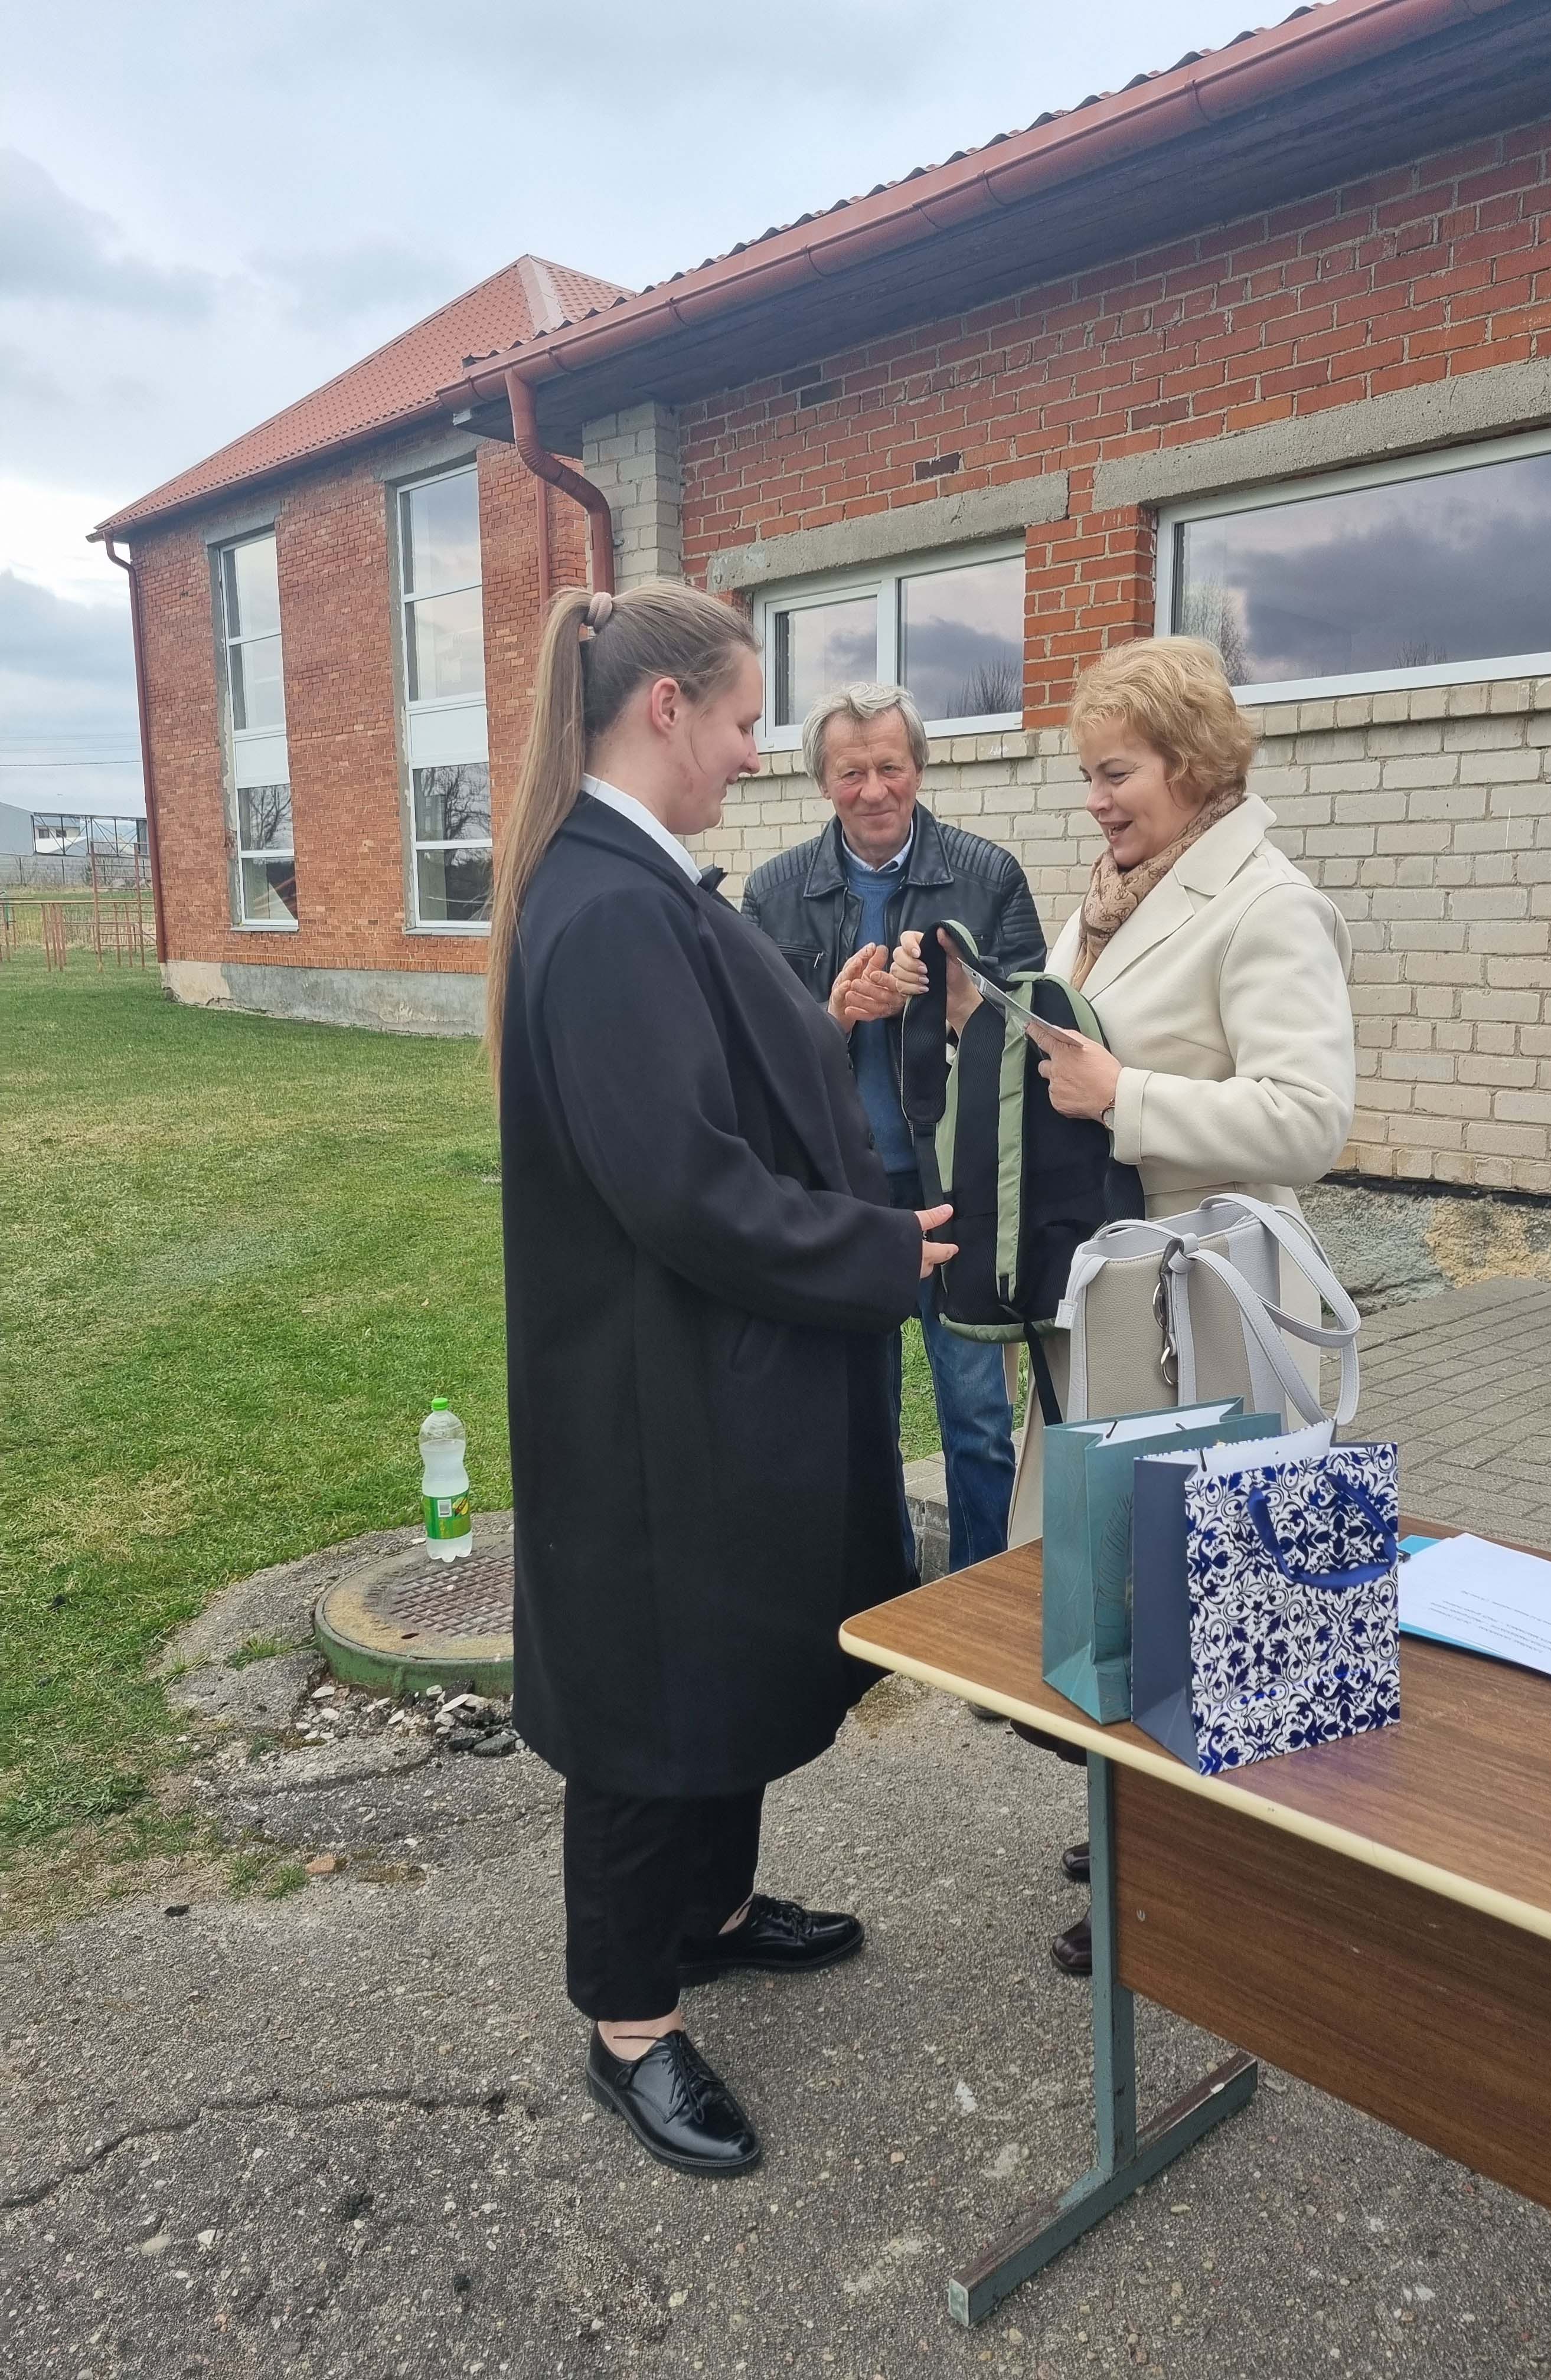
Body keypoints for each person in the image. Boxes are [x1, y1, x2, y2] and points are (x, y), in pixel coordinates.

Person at [490, 584, 956, 2176]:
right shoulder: (608, 904)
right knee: (650, 1690)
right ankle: (631, 2024)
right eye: (749, 720)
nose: (762, 754)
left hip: (701, 1367)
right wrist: (874, 1251)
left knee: (725, 1648)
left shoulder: (641, 882)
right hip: (647, 1391)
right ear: (665, 708)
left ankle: (717, 1908)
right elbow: (682, 1185)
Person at [893, 635, 1355, 1974]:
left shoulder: (1268, 905)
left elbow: (1310, 1119)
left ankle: (1188, 1877)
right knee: (1121, 1583)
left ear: (1193, 764)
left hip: (1209, 1305)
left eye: (1117, 773)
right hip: (1116, 1301)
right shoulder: (1117, 895)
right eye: (1089, 775)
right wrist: (973, 1011)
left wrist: (1128, 1099)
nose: (1094, 801)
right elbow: (1076, 1052)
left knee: (1198, 1596)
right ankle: (1140, 1819)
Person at [743, 684, 1046, 1575]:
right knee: (858, 1420)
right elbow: (752, 1056)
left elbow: (1038, 1043)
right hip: (847, 1196)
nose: (874, 790)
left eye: (891, 767)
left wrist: (957, 1004)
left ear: (919, 768)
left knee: (979, 1420)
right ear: (822, 781)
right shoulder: (774, 893)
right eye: (852, 773)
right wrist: (832, 1016)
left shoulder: (989, 877)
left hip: (959, 1192)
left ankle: (984, 1599)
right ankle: (886, 1594)